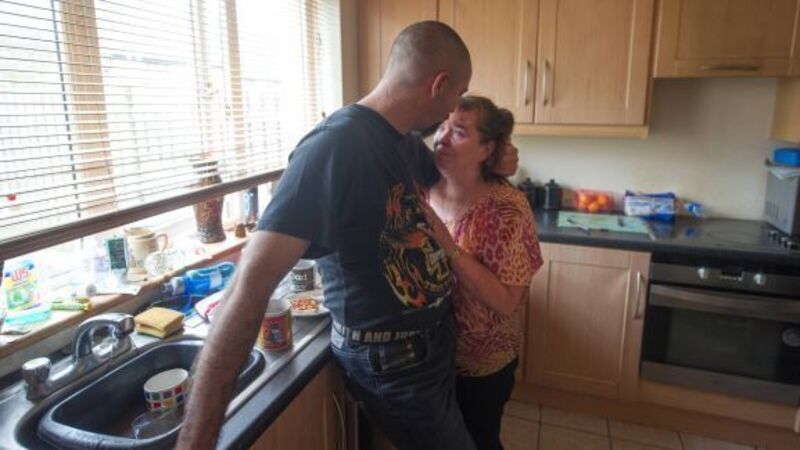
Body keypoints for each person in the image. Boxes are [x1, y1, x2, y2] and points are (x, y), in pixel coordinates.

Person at [177, 22, 518, 450]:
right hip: (394, 360)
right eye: (457, 94)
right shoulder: (333, 148)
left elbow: (449, 176)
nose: (453, 108)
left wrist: (495, 158)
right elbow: (247, 289)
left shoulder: (401, 139)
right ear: (440, 85)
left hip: (429, 347)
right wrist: (196, 440)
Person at [420, 96, 543, 450]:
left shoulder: (507, 209)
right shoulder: (422, 187)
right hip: (429, 357)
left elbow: (506, 301)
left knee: (479, 441)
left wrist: (448, 245)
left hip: (481, 366)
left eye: (459, 132)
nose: (442, 138)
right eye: (441, 127)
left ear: (487, 150)